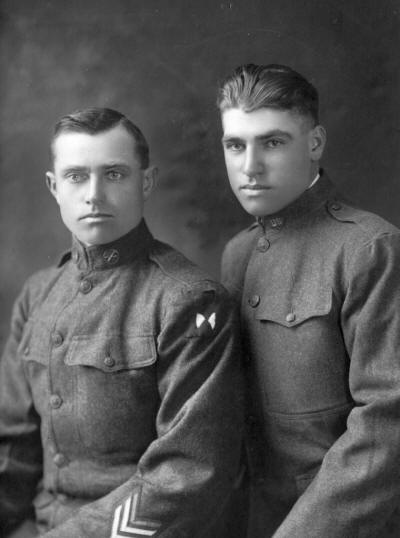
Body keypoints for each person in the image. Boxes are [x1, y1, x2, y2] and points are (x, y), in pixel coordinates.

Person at [0, 107, 244, 538]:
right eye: (76, 176)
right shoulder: (37, 295)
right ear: (54, 187)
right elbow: (12, 446)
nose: (94, 195)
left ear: (145, 182)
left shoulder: (189, 300)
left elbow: (186, 472)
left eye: (113, 174)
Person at [217, 63, 400, 537]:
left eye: (273, 142)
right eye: (235, 145)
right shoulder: (238, 254)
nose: (250, 166)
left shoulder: (368, 248)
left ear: (315, 143)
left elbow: (386, 425)